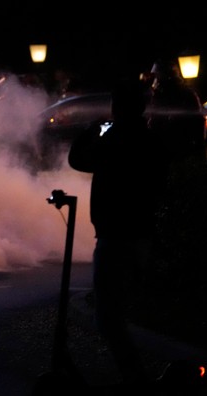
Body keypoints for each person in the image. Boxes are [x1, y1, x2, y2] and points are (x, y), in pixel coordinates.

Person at [68, 79, 171, 386]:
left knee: (108, 318)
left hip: (116, 236)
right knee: (129, 307)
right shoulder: (150, 140)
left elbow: (78, 160)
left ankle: (137, 380)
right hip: (142, 232)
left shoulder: (115, 139)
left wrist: (90, 131)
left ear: (118, 106)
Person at [146, 58, 205, 162]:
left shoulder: (186, 96)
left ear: (166, 76)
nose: (152, 79)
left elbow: (198, 125)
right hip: (159, 153)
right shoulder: (155, 96)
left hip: (179, 153)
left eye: (155, 75)